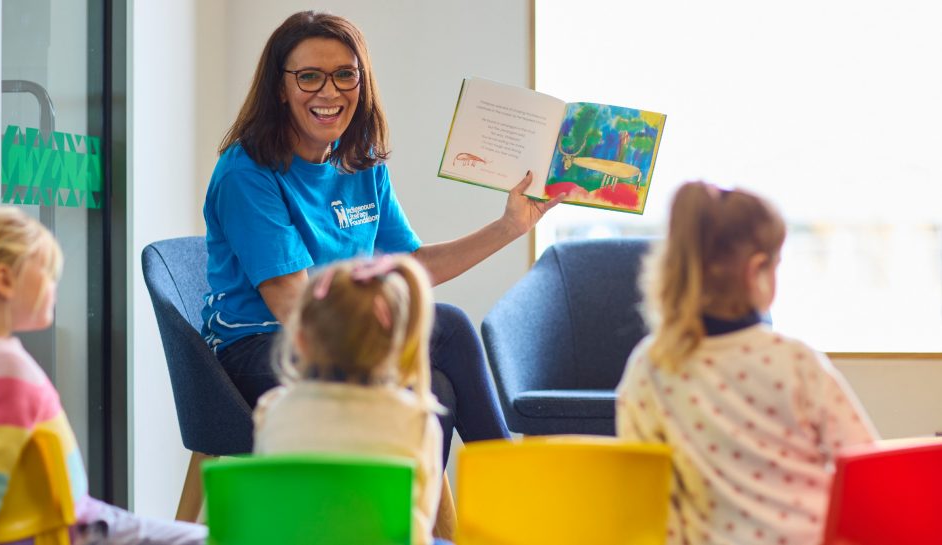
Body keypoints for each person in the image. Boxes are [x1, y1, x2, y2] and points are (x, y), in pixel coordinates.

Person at [201, 10, 562, 465]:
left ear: (362, 81)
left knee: (442, 379)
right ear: (280, 87)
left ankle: (446, 519)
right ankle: (512, 492)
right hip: (261, 349)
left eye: (345, 75)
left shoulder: (361, 163)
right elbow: (292, 306)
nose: (329, 92)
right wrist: (385, 329)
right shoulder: (247, 173)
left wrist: (511, 226)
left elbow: (413, 266)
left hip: (343, 335)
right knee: (441, 336)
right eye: (309, 77)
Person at [615, 182, 878, 545]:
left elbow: (647, 499)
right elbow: (867, 467)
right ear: (757, 271)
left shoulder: (651, 367)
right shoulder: (795, 360)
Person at [0, 204, 207, 545]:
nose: (56, 284)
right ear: (5, 280)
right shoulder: (6, 371)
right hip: (72, 532)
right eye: (47, 272)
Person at [254, 254, 449, 545]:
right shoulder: (417, 422)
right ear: (397, 346)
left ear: (301, 340)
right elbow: (420, 523)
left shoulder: (272, 409)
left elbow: (269, 506)